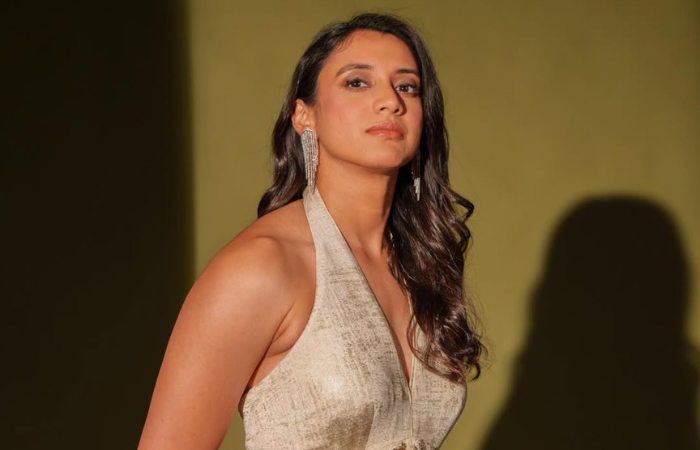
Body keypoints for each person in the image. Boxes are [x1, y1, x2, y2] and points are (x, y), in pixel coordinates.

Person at [138, 13, 484, 450]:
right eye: (357, 82)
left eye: (407, 86)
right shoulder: (263, 264)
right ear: (304, 115)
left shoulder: (419, 264)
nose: (390, 101)